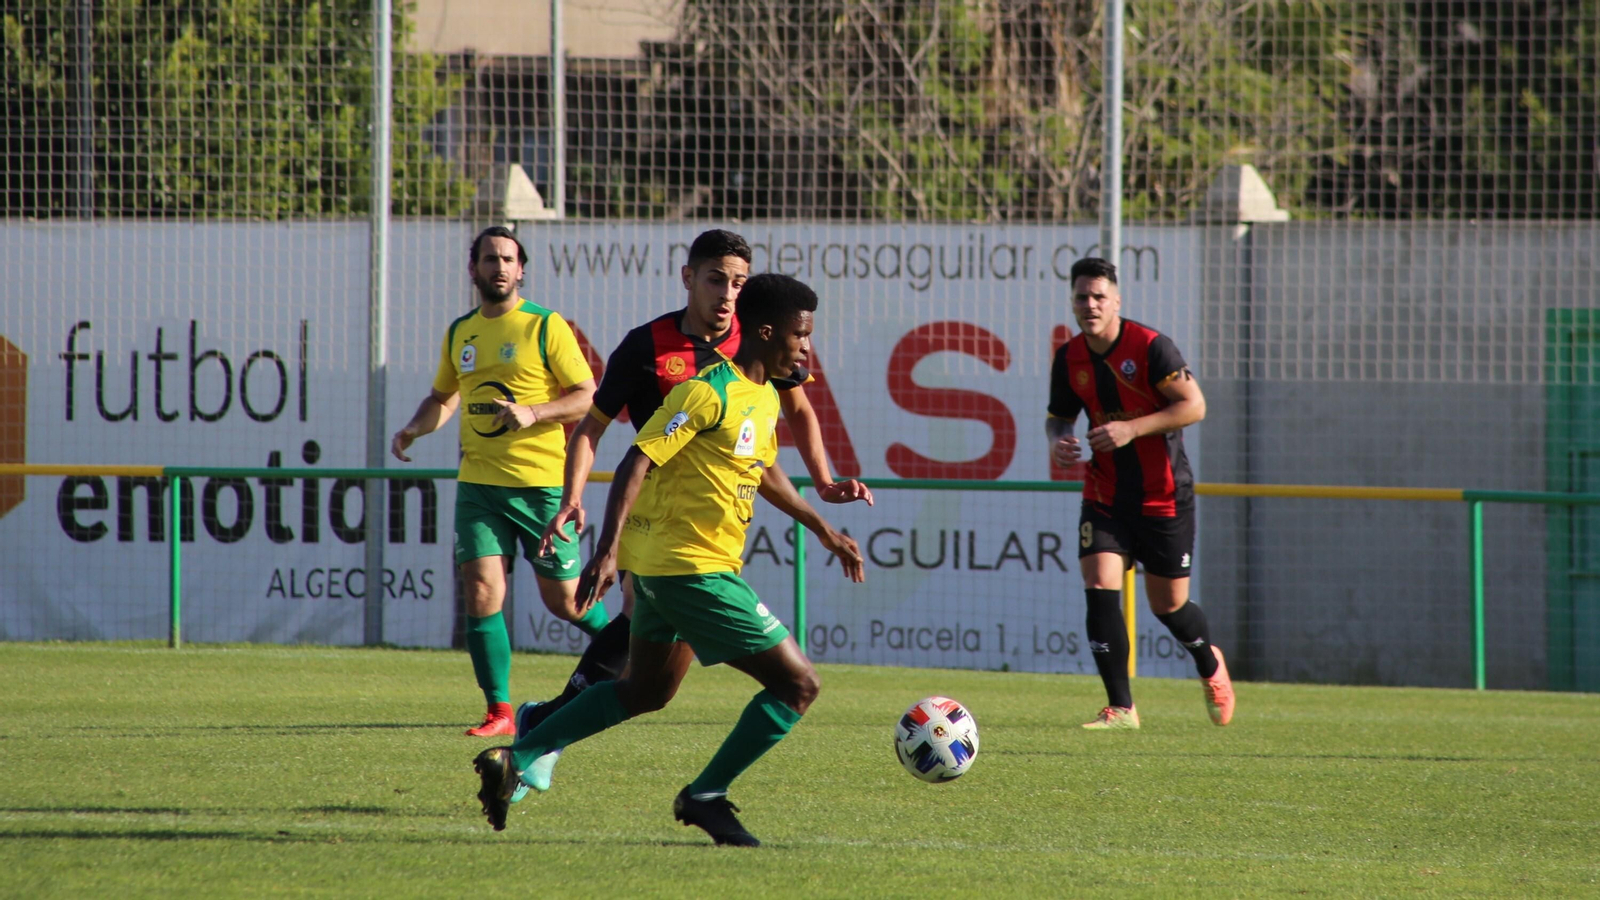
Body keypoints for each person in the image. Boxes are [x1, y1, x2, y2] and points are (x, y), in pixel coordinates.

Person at [472, 273, 866, 846]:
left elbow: (757, 468)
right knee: (797, 685)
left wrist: (823, 528)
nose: (807, 348)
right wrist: (606, 551)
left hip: (668, 573)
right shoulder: (708, 391)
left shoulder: (761, 396)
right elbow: (637, 460)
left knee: (646, 692)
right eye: (800, 336)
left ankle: (522, 751)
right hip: (691, 571)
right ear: (765, 332)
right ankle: (706, 796)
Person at [391, 225, 602, 737]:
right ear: (474, 269)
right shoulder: (461, 331)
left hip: (541, 486)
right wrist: (414, 429)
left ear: (521, 269)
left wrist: (533, 412)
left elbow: (587, 394)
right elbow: (443, 397)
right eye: (490, 259)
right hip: (479, 487)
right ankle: (500, 711)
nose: (500, 267)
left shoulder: (545, 326)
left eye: (508, 259)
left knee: (566, 602)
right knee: (482, 589)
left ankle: (636, 646)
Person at [1045, 257, 1234, 730]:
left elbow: (1194, 405)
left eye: (1098, 297)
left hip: (1163, 495)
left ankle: (1210, 664)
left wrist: (1132, 429)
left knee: (1168, 607)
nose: (1089, 305)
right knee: (1100, 588)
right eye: (1081, 298)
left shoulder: (1150, 348)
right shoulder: (1069, 357)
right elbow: (1059, 416)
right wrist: (1058, 440)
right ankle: (1122, 708)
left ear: (1116, 302)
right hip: (1105, 492)